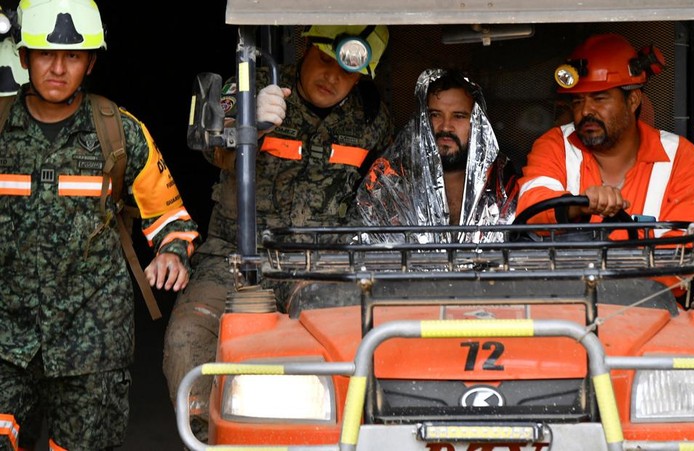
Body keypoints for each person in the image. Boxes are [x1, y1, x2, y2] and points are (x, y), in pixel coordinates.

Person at [162, 25, 393, 441]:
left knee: (354, 349)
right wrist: (248, 121)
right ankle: (205, 436)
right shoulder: (256, 85)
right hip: (236, 255)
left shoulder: (373, 115)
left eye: (348, 72)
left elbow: (386, 188)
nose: (333, 78)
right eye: (325, 61)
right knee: (187, 338)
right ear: (305, 50)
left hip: (322, 264)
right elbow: (206, 141)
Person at [0, 1, 200, 450]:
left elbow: (171, 217)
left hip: (92, 342)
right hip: (5, 340)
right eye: (46, 54)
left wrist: (172, 252)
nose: (57, 68)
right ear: (24, 56)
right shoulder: (0, 123)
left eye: (72, 56)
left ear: (90, 62)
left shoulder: (117, 130)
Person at [516, 33, 694, 233]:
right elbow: (531, 207)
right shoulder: (555, 145)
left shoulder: (681, 158)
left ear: (633, 100)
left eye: (599, 98)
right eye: (577, 101)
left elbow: (691, 243)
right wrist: (579, 205)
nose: (585, 111)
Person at [353, 68, 518, 243]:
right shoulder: (390, 181)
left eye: (459, 116)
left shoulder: (500, 180)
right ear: (422, 120)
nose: (446, 127)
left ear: (477, 123)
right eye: (435, 115)